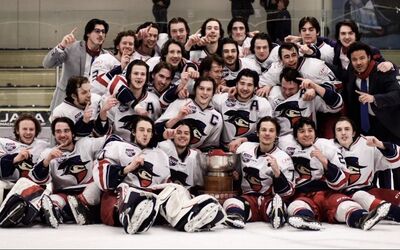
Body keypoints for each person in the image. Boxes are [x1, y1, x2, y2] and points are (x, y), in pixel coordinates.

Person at [93, 115, 226, 234]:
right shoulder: (117, 146)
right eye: (141, 130)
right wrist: (127, 168)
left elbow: (165, 184)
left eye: (149, 131)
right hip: (120, 198)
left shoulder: (160, 154)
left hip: (151, 201)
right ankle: (131, 213)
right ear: (133, 131)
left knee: (174, 189)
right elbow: (102, 179)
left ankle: (187, 217)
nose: (145, 134)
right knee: (127, 192)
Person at [279, 117, 390, 231]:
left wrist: (325, 161)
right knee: (296, 206)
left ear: (315, 133)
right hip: (303, 194)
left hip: (328, 193)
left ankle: (362, 219)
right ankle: (307, 219)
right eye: (302, 131)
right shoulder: (286, 145)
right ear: (295, 136)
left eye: (310, 130)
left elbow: (341, 182)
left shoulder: (327, 147)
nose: (307, 134)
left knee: (345, 205)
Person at [0, 117, 107, 228]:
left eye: (66, 131)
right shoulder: (47, 152)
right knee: (51, 202)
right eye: (58, 131)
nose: (62, 135)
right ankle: (59, 212)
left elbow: (110, 140)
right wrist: (47, 160)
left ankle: (75, 208)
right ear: (54, 134)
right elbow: (37, 179)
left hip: (87, 189)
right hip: (63, 193)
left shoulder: (86, 143)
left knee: (95, 187)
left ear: (73, 133)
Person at [345, 41, 400, 190]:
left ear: (369, 57)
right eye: (355, 59)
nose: (358, 62)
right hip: (366, 126)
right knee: (374, 167)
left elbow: (397, 95)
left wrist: (374, 98)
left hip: (389, 125)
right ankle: (380, 199)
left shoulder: (383, 70)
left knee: (395, 166)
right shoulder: (351, 70)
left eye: (362, 58)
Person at [223, 116, 295, 229]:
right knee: (230, 202)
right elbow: (236, 173)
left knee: (274, 205)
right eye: (263, 130)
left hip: (269, 198)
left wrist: (277, 173)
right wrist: (235, 177)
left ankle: (276, 213)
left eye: (271, 131)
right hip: (248, 198)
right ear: (257, 133)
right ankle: (237, 217)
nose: (267, 133)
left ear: (276, 135)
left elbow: (288, 193)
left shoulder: (283, 158)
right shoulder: (244, 148)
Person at [332, 116, 400, 223]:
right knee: (360, 195)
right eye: (339, 130)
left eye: (347, 129)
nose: (343, 133)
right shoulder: (328, 147)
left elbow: (395, 160)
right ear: (335, 134)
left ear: (354, 133)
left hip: (370, 190)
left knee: (396, 196)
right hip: (345, 196)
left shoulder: (366, 144)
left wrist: (380, 145)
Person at [42, 18, 109, 111]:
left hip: (90, 106)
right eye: (97, 31)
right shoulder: (72, 47)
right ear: (88, 33)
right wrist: (62, 46)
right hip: (65, 102)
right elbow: (47, 64)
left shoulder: (107, 57)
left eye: (103, 32)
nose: (101, 34)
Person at [269, 67, 343, 136]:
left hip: (308, 138)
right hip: (283, 140)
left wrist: (315, 87)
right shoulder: (273, 95)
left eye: (291, 89)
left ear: (299, 86)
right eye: (284, 88)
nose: (287, 92)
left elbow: (337, 104)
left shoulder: (309, 95)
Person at [155, 76, 223, 151]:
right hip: (168, 151)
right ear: (195, 90)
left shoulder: (217, 118)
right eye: (201, 88)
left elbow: (210, 147)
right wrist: (177, 118)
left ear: (213, 93)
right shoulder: (182, 103)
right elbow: (156, 130)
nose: (205, 92)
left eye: (209, 89)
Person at [102, 60, 162, 141]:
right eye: (136, 73)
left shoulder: (154, 100)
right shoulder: (114, 98)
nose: (139, 77)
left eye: (143, 74)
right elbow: (103, 133)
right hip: (119, 146)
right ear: (129, 76)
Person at [212, 68, 272, 149]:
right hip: (223, 148)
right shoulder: (220, 100)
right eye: (242, 83)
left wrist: (243, 140)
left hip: (249, 148)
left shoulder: (263, 104)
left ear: (255, 88)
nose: (245, 88)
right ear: (236, 84)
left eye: (249, 85)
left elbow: (266, 132)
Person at [0, 114, 49, 203]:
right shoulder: (5, 144)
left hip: (34, 188)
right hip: (10, 187)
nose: (28, 132)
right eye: (24, 129)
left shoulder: (43, 146)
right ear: (17, 131)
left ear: (36, 131)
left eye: (31, 129)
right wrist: (15, 159)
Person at [50, 76, 117, 138]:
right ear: (74, 96)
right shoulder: (60, 112)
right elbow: (64, 139)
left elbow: (101, 132)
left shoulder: (96, 99)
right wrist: (84, 121)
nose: (89, 95)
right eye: (84, 92)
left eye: (89, 91)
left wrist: (103, 112)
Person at [158, 120, 204, 195]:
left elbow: (198, 185)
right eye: (178, 133)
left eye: (186, 133)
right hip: (163, 195)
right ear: (173, 135)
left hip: (185, 197)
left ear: (190, 137)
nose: (182, 136)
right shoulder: (164, 147)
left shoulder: (194, 156)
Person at [90, 30, 136, 96]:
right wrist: (121, 67)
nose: (127, 46)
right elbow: (95, 89)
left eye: (131, 44)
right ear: (117, 46)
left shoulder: (135, 65)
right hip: (103, 102)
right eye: (124, 43)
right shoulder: (104, 59)